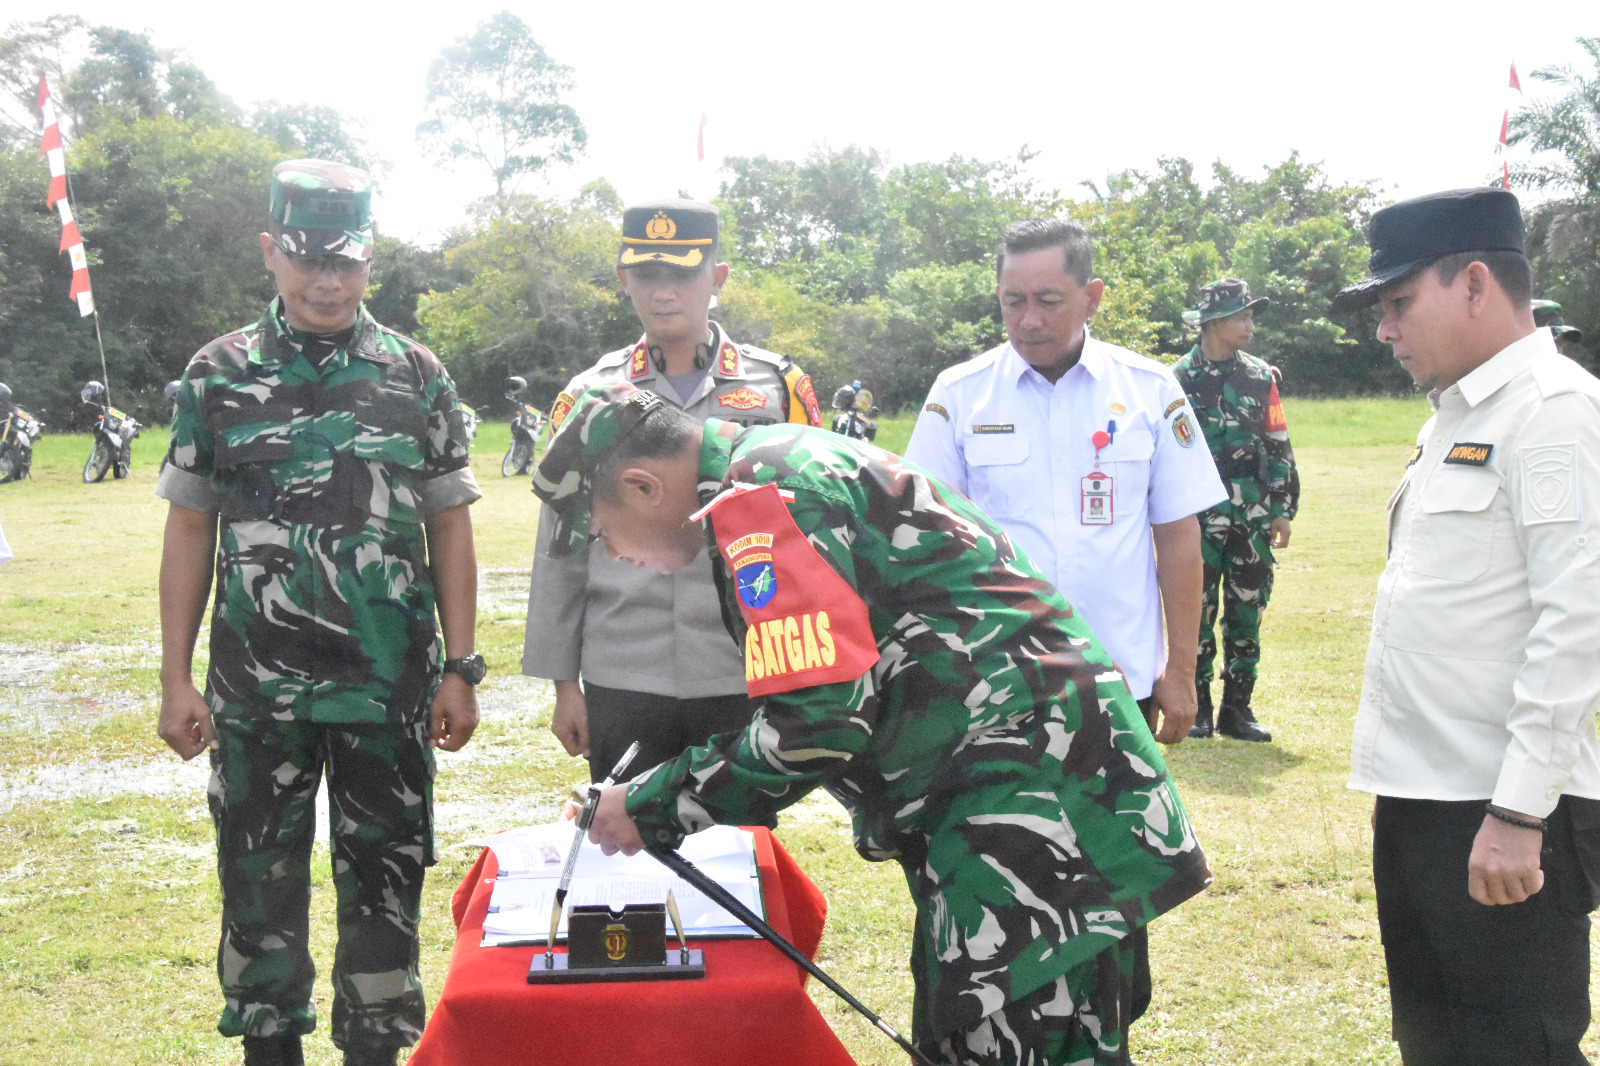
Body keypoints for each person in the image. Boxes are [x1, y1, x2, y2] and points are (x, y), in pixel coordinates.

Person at [534, 383, 1212, 1065]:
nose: (612, 554)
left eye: (599, 531)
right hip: (1031, 793)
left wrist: (648, 805)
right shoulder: (775, 466)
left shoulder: (760, 498)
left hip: (1032, 809)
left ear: (644, 486)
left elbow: (817, 724)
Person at [155, 159, 484, 1066]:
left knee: (387, 874)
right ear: (271, 251)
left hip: (389, 684)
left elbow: (450, 525)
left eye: (347, 261)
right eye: (307, 260)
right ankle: (270, 1044)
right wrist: (176, 674)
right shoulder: (215, 374)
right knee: (257, 875)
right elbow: (190, 529)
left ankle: (377, 1047)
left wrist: (462, 666)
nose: (329, 280)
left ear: (370, 260)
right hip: (255, 686)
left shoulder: (414, 372)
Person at [1338, 186, 1600, 1065]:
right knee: (1439, 1041)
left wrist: (1520, 811)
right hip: (1424, 799)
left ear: (1477, 282)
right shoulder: (1456, 417)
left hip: (1504, 811)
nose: (1386, 327)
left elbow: (1577, 623)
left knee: (1516, 1045)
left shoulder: (1553, 410)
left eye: (1400, 301)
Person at [523, 198, 821, 782]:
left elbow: (811, 532)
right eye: (647, 275)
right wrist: (565, 684)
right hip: (622, 669)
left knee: (736, 853)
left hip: (740, 667)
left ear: (717, 277)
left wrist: (805, 674)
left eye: (683, 273)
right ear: (623, 280)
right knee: (627, 850)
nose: (664, 293)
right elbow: (560, 541)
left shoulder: (779, 387)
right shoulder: (595, 394)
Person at [1171, 279, 1299, 742]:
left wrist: (1282, 508)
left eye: (1250, 316)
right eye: (1242, 316)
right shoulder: (1176, 379)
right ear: (1215, 323)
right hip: (1196, 518)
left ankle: (1237, 710)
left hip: (1252, 515)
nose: (1250, 325)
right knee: (1196, 611)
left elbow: (1278, 443)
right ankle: (1199, 708)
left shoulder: (1261, 377)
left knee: (1248, 611)